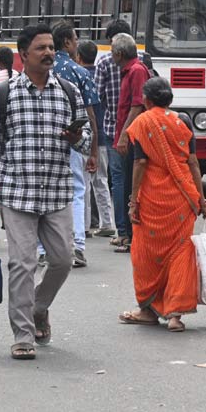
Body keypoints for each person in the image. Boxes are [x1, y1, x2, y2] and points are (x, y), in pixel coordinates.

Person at [0, 24, 90, 361]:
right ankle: (23, 335)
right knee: (22, 264)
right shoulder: (4, 95)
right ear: (23, 55)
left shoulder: (68, 92)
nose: (49, 53)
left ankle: (39, 307)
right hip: (17, 193)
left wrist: (76, 140)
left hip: (56, 192)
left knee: (63, 260)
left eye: (52, 47)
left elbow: (85, 142)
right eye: (41, 48)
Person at [118, 77, 206, 331]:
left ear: (147, 101)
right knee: (180, 253)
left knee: (145, 255)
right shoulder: (183, 121)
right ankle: (174, 316)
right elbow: (193, 162)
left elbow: (140, 164)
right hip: (182, 199)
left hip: (152, 199)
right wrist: (202, 201)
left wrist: (133, 201)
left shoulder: (142, 122)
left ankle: (147, 310)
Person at [51, 22, 103, 267]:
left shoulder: (42, 70)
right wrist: (93, 151)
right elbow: (91, 116)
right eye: (75, 39)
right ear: (67, 43)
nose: (77, 43)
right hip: (74, 140)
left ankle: (43, 249)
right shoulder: (80, 73)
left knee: (46, 192)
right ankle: (78, 246)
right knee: (77, 191)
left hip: (43, 140)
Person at [111, 32, 151, 254]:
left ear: (119, 53)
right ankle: (127, 233)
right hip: (127, 133)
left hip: (133, 136)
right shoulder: (130, 71)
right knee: (125, 183)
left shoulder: (136, 71)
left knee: (129, 184)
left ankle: (131, 234)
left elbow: (137, 106)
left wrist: (125, 135)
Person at [94, 20, 132, 247]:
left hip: (113, 129)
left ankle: (122, 230)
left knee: (117, 180)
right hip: (136, 129)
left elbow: (97, 96)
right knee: (134, 179)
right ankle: (132, 228)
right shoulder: (142, 62)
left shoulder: (105, 62)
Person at [77, 40, 116, 236]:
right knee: (101, 180)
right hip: (102, 134)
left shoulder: (79, 77)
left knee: (83, 183)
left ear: (79, 57)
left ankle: (83, 226)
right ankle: (107, 223)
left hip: (84, 137)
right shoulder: (102, 76)